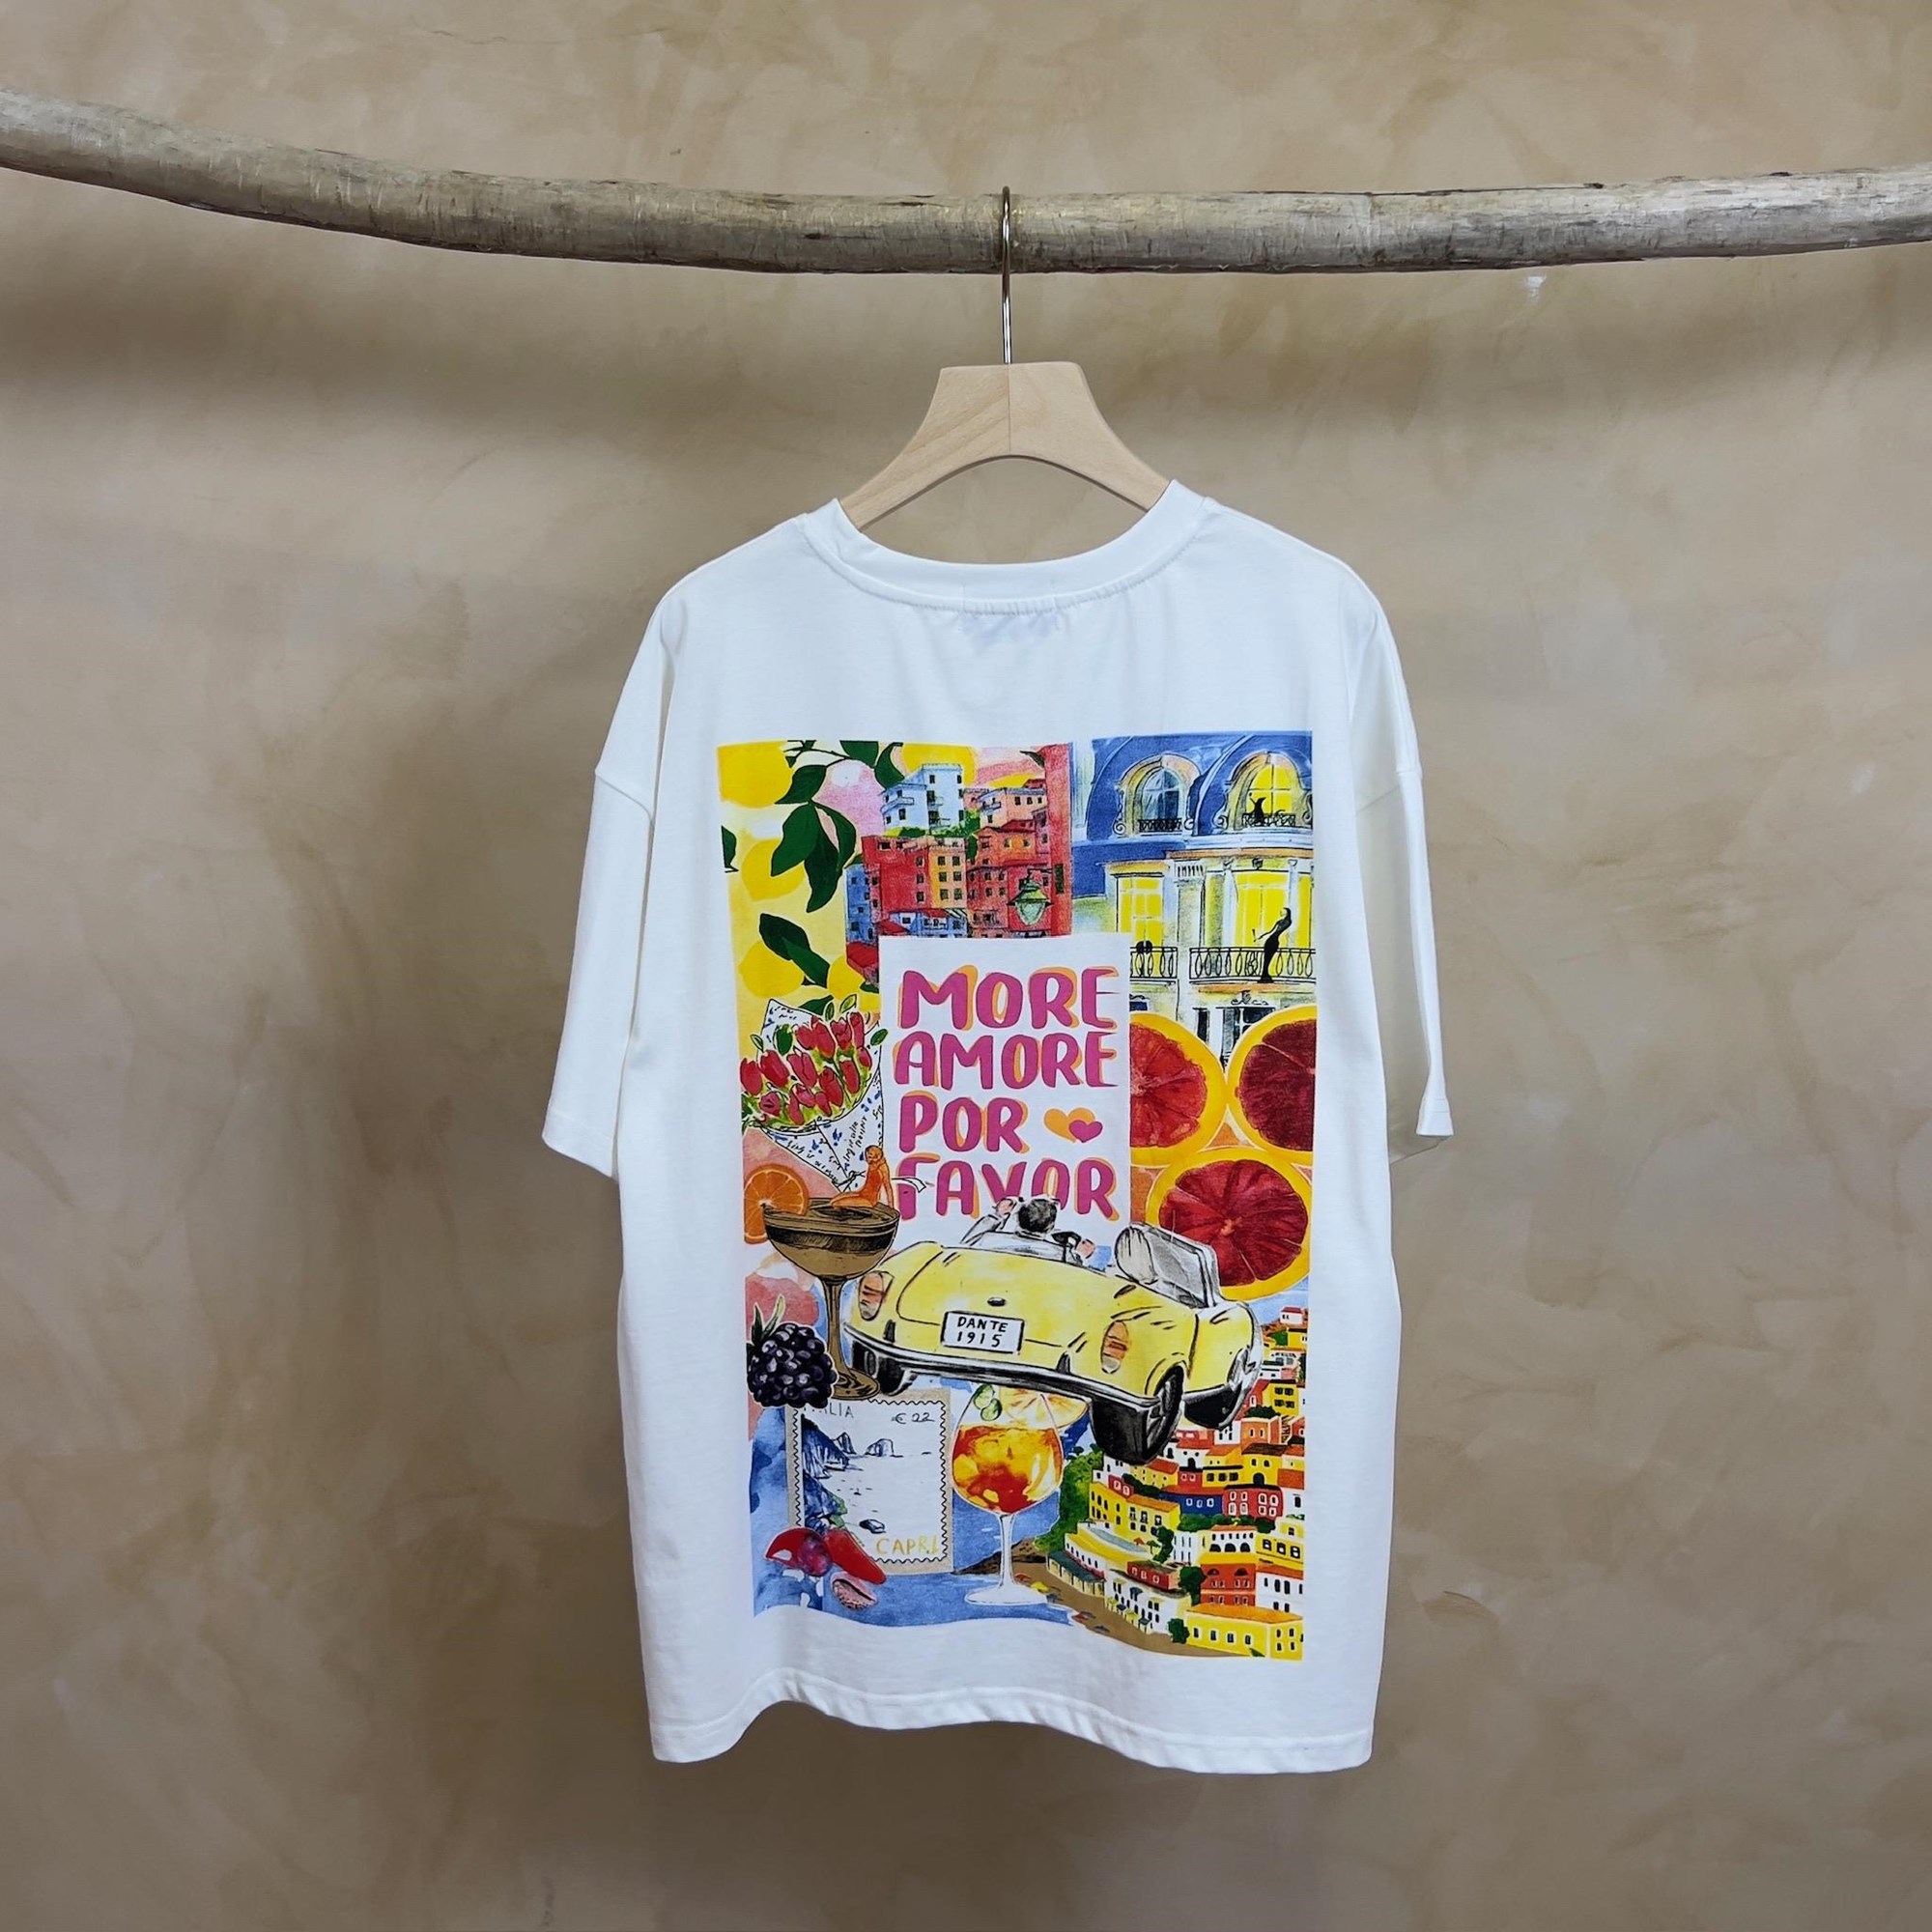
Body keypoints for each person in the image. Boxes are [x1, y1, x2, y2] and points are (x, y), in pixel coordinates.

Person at [959, 1195, 1096, 1264]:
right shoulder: (1061, 1254)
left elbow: (963, 1248)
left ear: (1018, 1218)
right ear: (1050, 1227)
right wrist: (1079, 1253)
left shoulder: (987, 1240)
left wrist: (998, 1215)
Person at [1257, 905, 1295, 980]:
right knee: (1266, 959)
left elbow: (1275, 931)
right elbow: (1271, 931)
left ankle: (1265, 975)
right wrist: (1261, 936)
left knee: (1267, 959)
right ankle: (1265, 974)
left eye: (1282, 911)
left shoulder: (1287, 921)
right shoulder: (1280, 921)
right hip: (1271, 940)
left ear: (1286, 913)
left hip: (1273, 941)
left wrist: (1262, 936)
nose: (1280, 912)